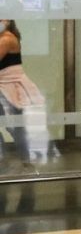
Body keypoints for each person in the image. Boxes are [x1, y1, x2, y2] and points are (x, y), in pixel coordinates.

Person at [0, 18, 48, 164]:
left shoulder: (7, 38)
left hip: (10, 87)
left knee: (16, 126)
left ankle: (26, 159)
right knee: (15, 126)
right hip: (5, 86)